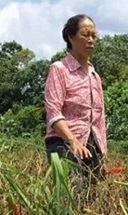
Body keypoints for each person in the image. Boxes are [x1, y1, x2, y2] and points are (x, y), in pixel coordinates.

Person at [43, 14, 107, 186]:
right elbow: (53, 112)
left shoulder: (95, 76)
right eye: (85, 35)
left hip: (92, 144)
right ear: (70, 37)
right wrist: (73, 141)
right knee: (73, 194)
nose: (91, 40)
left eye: (94, 36)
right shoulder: (60, 69)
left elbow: (100, 118)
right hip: (64, 142)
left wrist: (102, 151)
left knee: (94, 197)